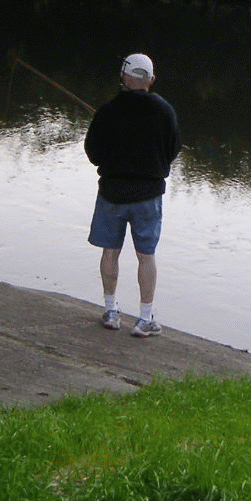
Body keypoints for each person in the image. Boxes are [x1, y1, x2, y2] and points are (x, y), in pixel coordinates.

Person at [84, 52, 182, 337]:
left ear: (124, 77)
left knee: (110, 252)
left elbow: (93, 152)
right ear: (151, 80)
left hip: (112, 194)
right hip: (148, 197)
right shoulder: (165, 111)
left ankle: (111, 312)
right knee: (146, 256)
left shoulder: (107, 111)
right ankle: (145, 318)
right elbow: (173, 149)